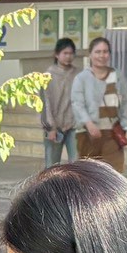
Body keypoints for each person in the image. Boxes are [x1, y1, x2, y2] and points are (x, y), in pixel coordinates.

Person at [69, 37, 127, 172]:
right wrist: (88, 123)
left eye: (105, 52)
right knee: (89, 175)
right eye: (97, 52)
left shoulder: (117, 76)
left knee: (114, 175)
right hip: (88, 135)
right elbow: (77, 104)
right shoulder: (82, 78)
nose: (101, 55)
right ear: (90, 54)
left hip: (113, 134)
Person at [40, 37, 79, 166]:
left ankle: (74, 187)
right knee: (52, 166)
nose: (68, 56)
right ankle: (51, 187)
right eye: (65, 53)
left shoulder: (77, 74)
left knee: (78, 164)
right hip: (54, 127)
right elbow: (45, 103)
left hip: (74, 126)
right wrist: (50, 127)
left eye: (71, 53)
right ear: (57, 54)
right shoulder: (47, 76)